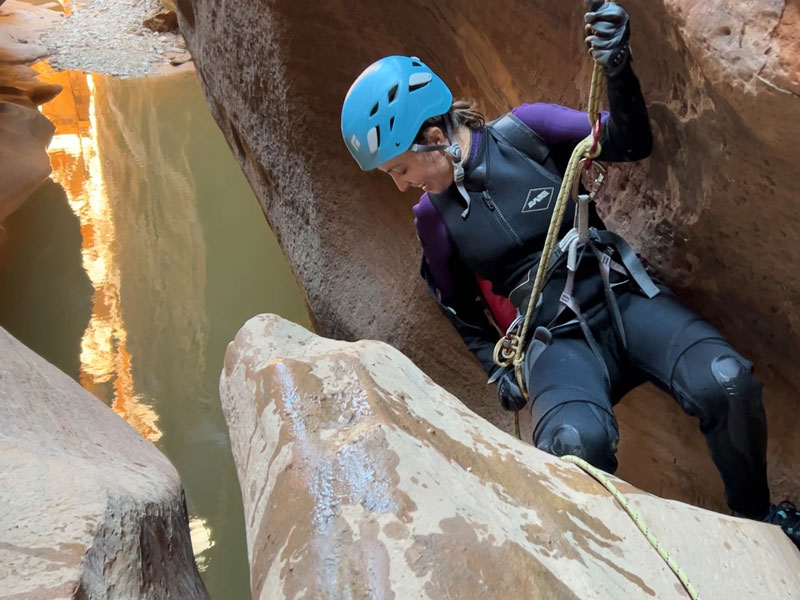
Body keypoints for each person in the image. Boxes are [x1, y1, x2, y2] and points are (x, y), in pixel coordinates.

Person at [339, 1, 800, 548]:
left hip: (620, 296)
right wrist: (497, 366)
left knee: (727, 382)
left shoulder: (527, 133)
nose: (399, 185)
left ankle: (761, 522)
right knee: (573, 449)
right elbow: (458, 306)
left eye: (400, 169)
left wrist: (616, 65)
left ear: (434, 136)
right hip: (553, 338)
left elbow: (630, 141)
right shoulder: (432, 222)